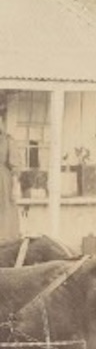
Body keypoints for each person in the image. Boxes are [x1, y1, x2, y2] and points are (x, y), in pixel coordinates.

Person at [0, 97, 21, 241]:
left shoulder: (7, 140)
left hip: (2, 182)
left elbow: (15, 165)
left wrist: (15, 187)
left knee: (4, 212)